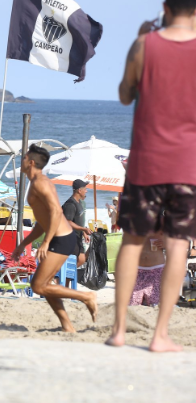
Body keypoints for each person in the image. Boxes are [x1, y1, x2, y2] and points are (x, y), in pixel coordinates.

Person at [106, 0, 196, 352]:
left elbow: (125, 95)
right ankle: (160, 336)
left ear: (165, 6)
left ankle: (119, 331)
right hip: (187, 163)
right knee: (177, 245)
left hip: (147, 160)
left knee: (132, 239)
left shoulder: (145, 44)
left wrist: (142, 41)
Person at [12, 145, 97, 333]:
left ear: (31, 162)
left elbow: (56, 212)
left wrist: (45, 242)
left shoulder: (41, 183)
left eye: (25, 157)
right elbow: (42, 223)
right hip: (58, 237)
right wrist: (23, 244)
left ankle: (87, 297)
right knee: (46, 286)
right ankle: (67, 325)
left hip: (61, 238)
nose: (22, 159)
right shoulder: (35, 183)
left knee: (38, 285)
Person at [62, 179, 93, 269]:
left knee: (82, 259)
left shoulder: (79, 203)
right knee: (73, 261)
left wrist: (83, 233)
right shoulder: (70, 204)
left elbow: (77, 220)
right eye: (85, 189)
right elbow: (68, 221)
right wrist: (83, 229)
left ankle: (65, 275)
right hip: (70, 237)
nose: (86, 191)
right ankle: (63, 277)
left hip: (78, 236)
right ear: (79, 190)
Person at [130, 233, 165, 306]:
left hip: (157, 269)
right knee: (132, 307)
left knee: (157, 306)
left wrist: (166, 244)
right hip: (136, 269)